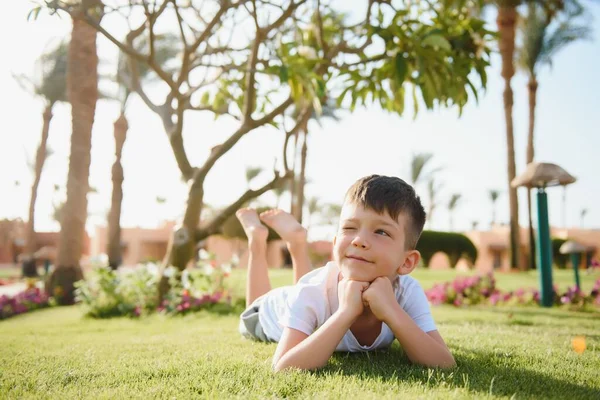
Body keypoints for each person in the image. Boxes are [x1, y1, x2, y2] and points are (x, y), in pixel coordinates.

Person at [236, 175, 455, 372]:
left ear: (407, 261)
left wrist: (391, 310)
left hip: (306, 299)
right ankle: (257, 241)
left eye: (381, 231)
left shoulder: (406, 291)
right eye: (350, 228)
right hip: (268, 312)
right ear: (335, 244)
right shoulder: (312, 290)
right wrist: (346, 312)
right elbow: (283, 367)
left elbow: (444, 363)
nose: (358, 240)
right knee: (273, 300)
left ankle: (296, 242)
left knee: (312, 299)